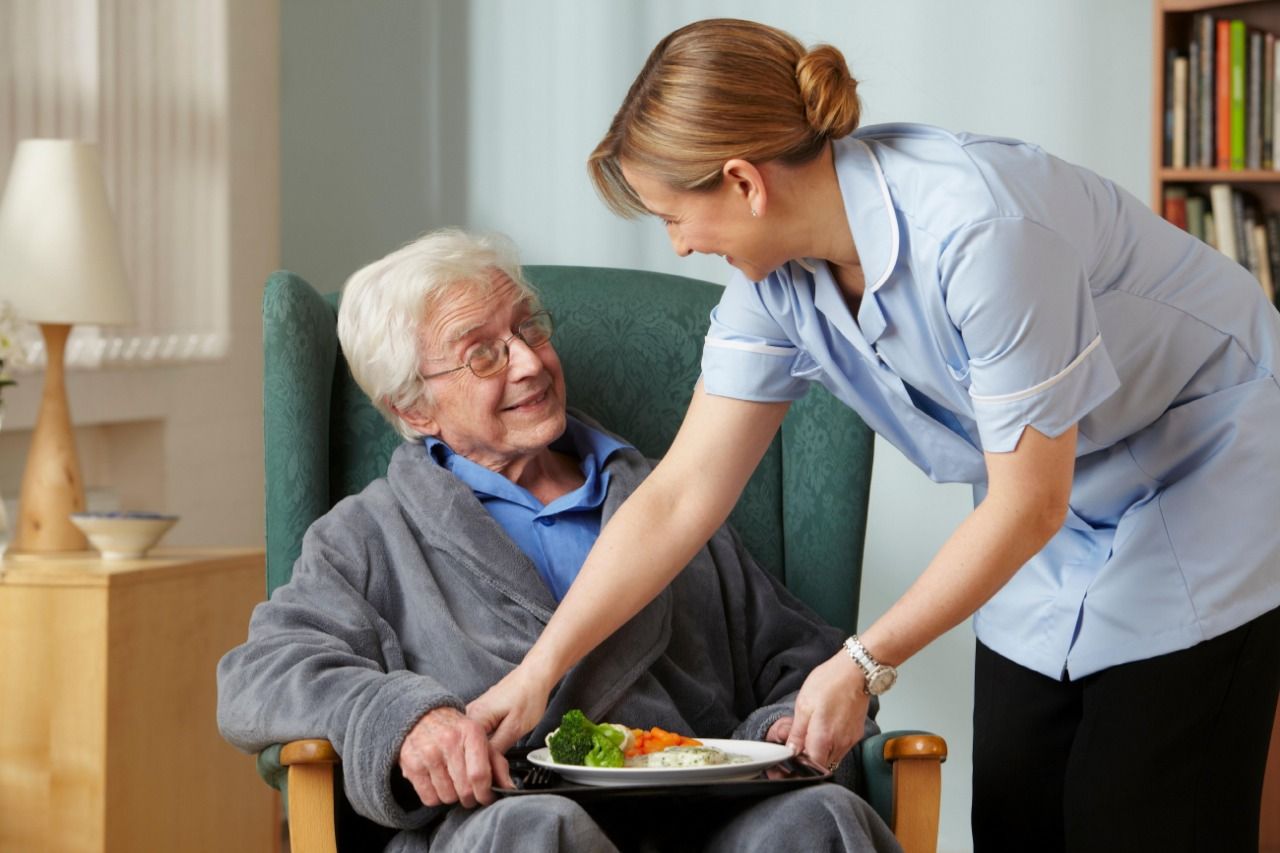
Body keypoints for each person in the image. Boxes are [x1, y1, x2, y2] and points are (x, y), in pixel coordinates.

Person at [465, 18, 1280, 853]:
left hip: (1198, 469)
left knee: (1141, 816)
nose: (681, 244)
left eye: (677, 216)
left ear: (744, 181)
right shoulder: (775, 279)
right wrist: (538, 675)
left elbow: (1030, 501)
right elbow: (680, 494)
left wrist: (862, 662)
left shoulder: (980, 232)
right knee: (1015, 814)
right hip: (1047, 500)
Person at [216, 229, 900, 853]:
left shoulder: (667, 501)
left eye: (529, 328)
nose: (529, 363)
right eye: (483, 352)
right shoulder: (369, 535)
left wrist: (784, 727)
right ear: (414, 407)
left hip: (704, 817)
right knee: (539, 832)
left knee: (818, 821)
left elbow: (799, 654)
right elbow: (260, 672)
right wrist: (404, 719)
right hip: (505, 815)